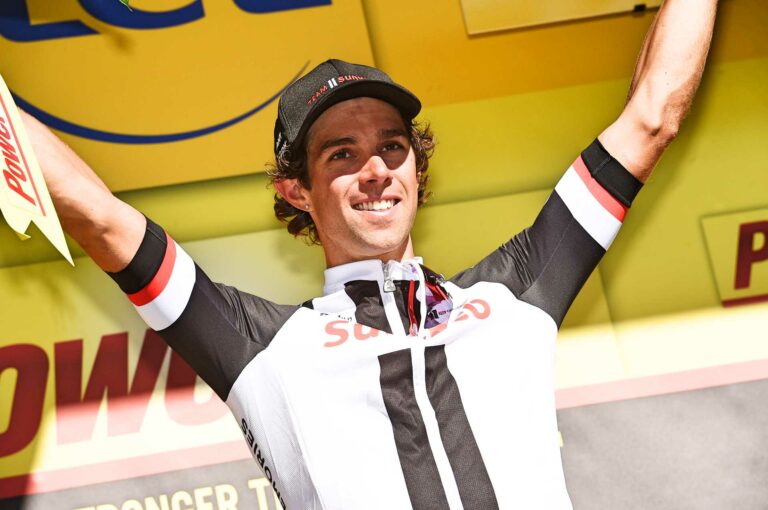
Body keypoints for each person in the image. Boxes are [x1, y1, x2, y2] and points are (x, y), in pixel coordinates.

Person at [22, 0, 718, 508]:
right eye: (342, 155)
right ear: (295, 190)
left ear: (417, 165)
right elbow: (100, 219)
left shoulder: (514, 295)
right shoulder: (261, 346)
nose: (377, 170)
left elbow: (653, 116)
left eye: (392, 145)